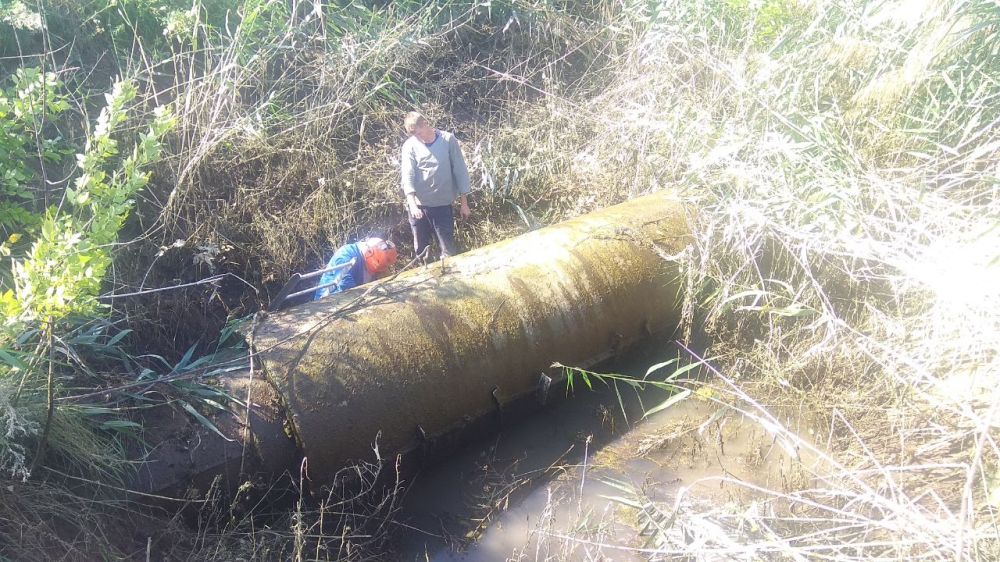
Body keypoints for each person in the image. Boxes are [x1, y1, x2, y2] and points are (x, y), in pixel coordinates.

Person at [400, 111, 471, 260]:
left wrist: (464, 204)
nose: (417, 137)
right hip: (419, 207)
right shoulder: (409, 146)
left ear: (425, 124)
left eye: (419, 133)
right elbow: (408, 175)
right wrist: (412, 205)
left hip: (442, 206)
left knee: (447, 251)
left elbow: (460, 170)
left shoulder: (447, 140)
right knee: (421, 251)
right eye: (413, 135)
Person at [313, 237, 397, 300]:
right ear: (369, 253)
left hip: (356, 297)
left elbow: (386, 280)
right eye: (380, 267)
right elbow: (347, 288)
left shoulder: (380, 261)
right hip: (328, 301)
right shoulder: (346, 255)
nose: (383, 270)